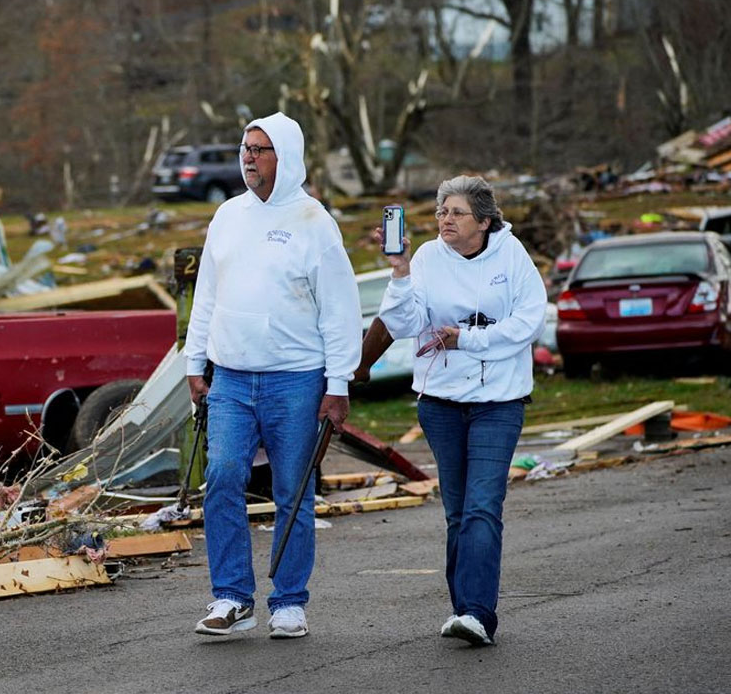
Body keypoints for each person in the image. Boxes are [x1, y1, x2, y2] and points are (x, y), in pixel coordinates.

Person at [185, 112, 362, 639]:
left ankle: (289, 601)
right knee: (221, 478)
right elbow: (207, 297)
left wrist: (338, 384)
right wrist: (196, 363)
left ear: (284, 158)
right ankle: (233, 598)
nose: (249, 158)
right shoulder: (227, 216)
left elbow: (340, 310)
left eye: (260, 150)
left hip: (296, 379)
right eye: (245, 148)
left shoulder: (314, 222)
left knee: (293, 491)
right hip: (232, 379)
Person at [374, 175, 546, 646]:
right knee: (458, 512)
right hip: (442, 404)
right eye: (441, 212)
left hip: (499, 403)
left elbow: (529, 321)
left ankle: (478, 613)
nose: (445, 219)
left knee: (483, 507)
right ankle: (463, 609)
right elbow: (405, 322)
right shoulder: (427, 257)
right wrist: (400, 270)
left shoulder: (512, 256)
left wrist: (468, 338)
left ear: (485, 221)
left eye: (456, 213)